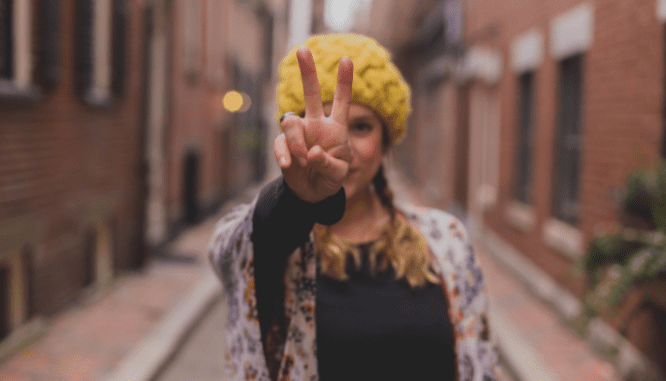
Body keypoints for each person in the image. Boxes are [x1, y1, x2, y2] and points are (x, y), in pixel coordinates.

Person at [209, 33, 499, 381]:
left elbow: (481, 364)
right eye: (319, 127)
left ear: (387, 138)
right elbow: (230, 251)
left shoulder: (446, 241)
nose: (340, 148)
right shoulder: (284, 248)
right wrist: (296, 199)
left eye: (360, 126)